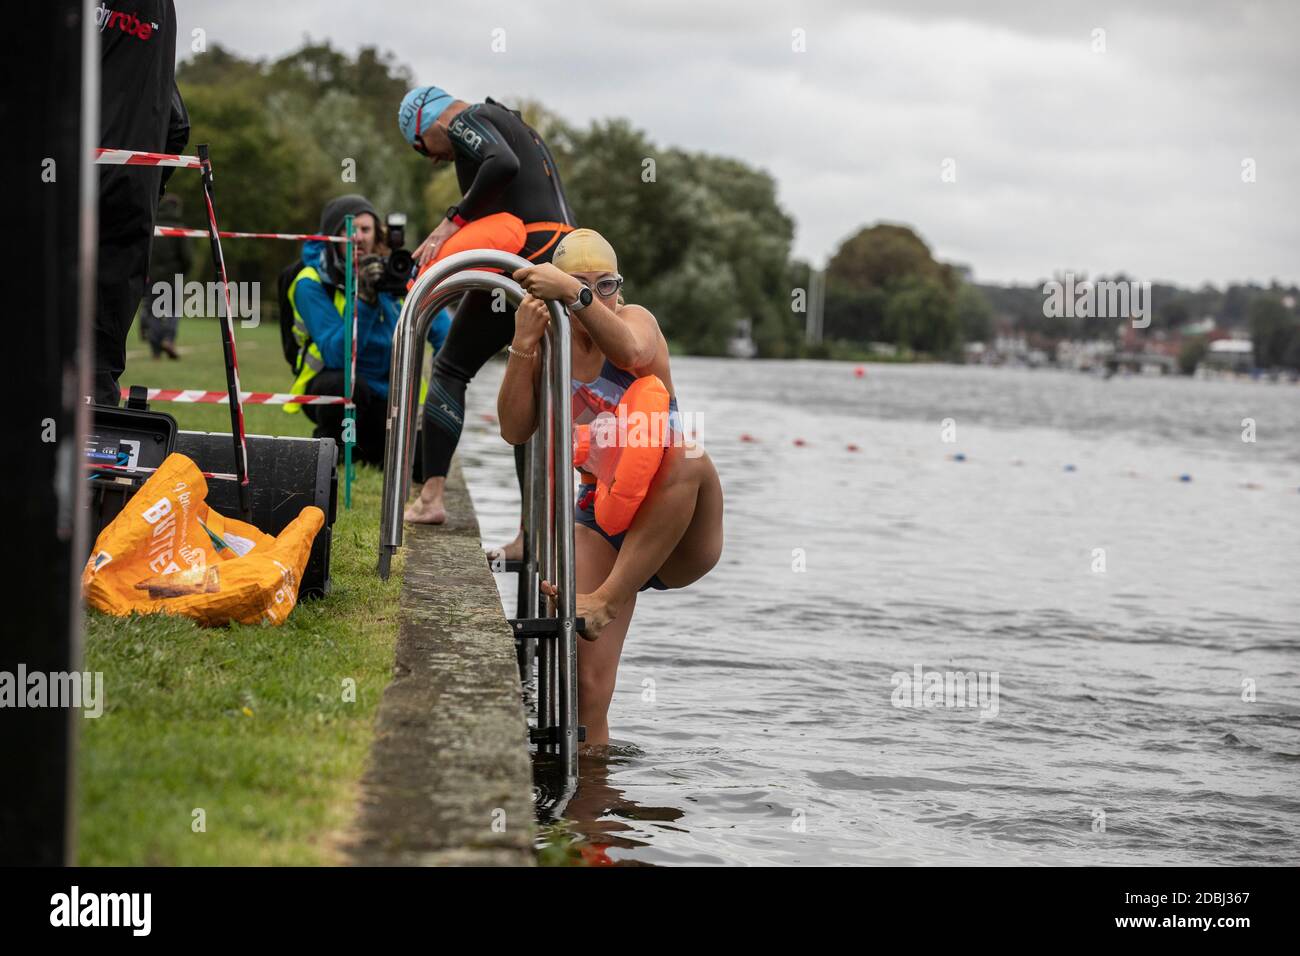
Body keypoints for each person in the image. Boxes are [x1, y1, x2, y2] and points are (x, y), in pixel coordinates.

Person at [497, 229, 724, 747]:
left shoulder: (635, 321)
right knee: (588, 689)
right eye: (581, 284)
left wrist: (575, 296)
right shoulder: (551, 347)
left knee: (687, 451)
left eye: (607, 285)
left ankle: (607, 600)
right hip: (603, 517)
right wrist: (523, 345)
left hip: (677, 523)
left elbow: (632, 351)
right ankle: (590, 811)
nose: (596, 295)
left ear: (619, 290)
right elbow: (514, 429)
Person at [396, 85, 575, 531]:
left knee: (452, 368)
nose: (435, 158)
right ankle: (531, 534)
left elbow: (501, 165)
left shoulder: (464, 120)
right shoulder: (519, 125)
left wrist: (449, 223)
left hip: (527, 254)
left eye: (423, 148)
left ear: (429, 122)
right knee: (530, 393)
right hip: (563, 255)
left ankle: (430, 498)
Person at [284, 194, 451, 465]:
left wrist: (445, 379)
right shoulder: (311, 282)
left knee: (422, 463)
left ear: (378, 234)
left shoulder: (395, 273)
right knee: (350, 385)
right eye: (349, 230)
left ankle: (368, 449)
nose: (358, 237)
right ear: (331, 236)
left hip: (391, 393)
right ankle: (332, 446)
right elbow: (337, 355)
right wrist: (364, 302)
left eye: (365, 229)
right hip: (334, 385)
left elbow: (445, 332)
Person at [94, 0, 188, 405]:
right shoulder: (163, 10)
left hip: (59, 183)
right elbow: (177, 127)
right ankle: (91, 453)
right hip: (132, 197)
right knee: (98, 351)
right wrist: (148, 184)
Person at [141, 193, 190, 359]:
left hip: (153, 276)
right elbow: (187, 257)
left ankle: (155, 350)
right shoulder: (179, 227)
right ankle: (169, 339)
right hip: (173, 276)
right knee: (173, 310)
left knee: (154, 312)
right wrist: (183, 272)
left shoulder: (152, 225)